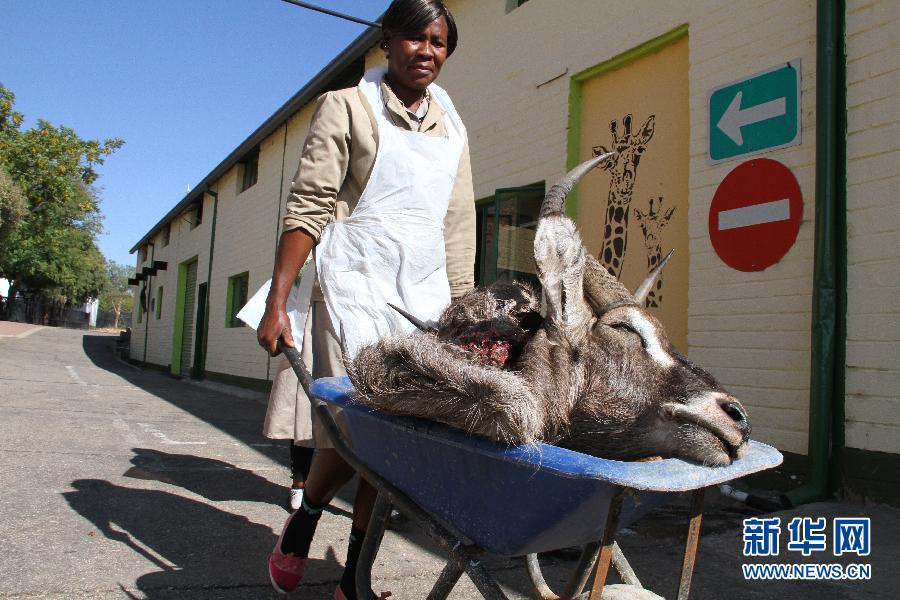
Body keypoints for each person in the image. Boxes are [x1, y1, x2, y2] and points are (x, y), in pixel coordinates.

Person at [256, 1, 474, 598]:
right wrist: (278, 301)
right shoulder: (346, 107)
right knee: (356, 432)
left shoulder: (452, 131)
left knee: (395, 437)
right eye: (414, 38)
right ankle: (304, 521)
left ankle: (353, 576)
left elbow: (458, 229)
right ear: (387, 42)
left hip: (419, 303)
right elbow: (309, 204)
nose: (426, 51)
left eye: (438, 41)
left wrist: (463, 321)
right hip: (349, 287)